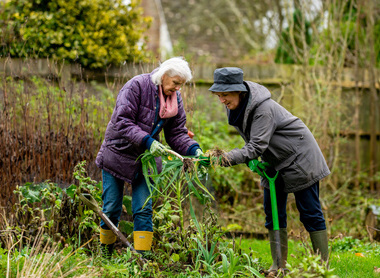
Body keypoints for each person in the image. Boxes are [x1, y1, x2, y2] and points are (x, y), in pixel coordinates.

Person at [200, 67, 330, 273]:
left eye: (225, 95)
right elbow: (253, 142)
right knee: (272, 213)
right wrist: (251, 160)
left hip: (300, 158)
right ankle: (279, 266)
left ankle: (322, 268)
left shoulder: (263, 109)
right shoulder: (236, 107)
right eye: (219, 96)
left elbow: (255, 146)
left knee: (309, 213)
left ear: (239, 91)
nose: (221, 100)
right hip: (274, 162)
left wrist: (224, 157)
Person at [95, 57, 203, 257]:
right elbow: (122, 120)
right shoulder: (136, 86)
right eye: (175, 83)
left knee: (143, 209)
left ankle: (140, 259)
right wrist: (148, 141)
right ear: (163, 76)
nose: (178, 89)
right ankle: (106, 254)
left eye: (181, 85)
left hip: (146, 160)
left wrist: (194, 149)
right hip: (118, 152)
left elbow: (177, 133)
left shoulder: (174, 98)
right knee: (111, 207)